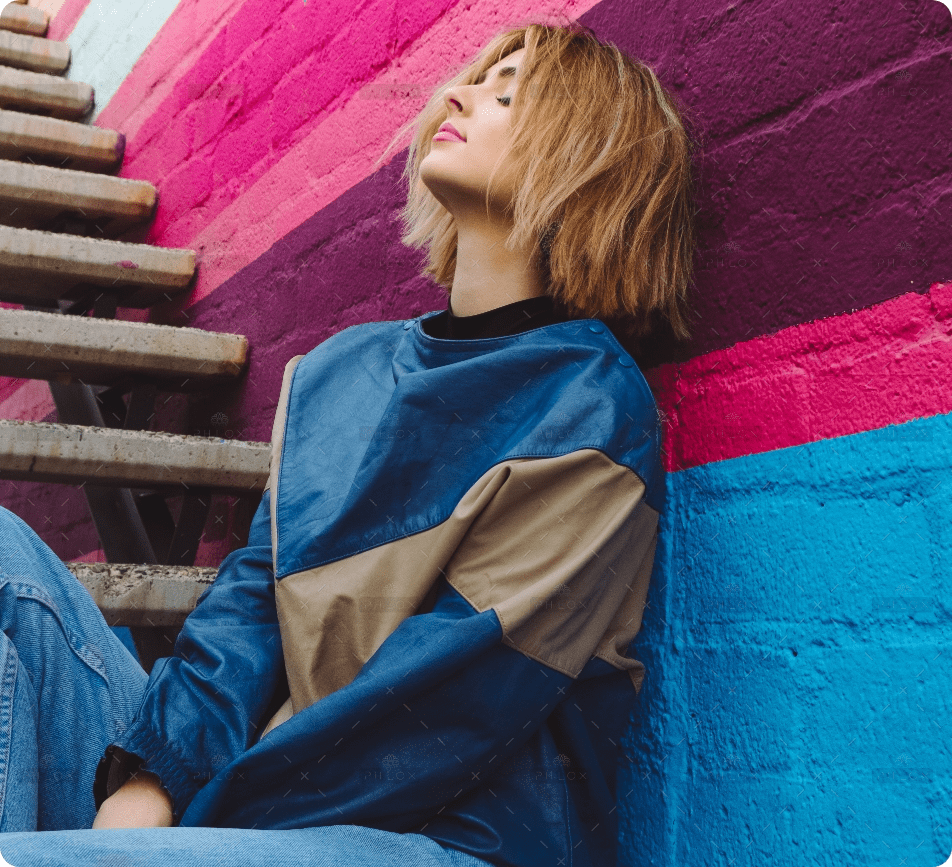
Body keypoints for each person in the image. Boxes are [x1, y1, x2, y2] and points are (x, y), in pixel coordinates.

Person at [0, 19, 696, 867]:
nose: (458, 95)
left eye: (509, 94)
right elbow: (248, 606)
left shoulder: (591, 407)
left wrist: (180, 832)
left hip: (442, 836)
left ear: (584, 158)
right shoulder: (339, 370)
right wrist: (147, 783)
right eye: (474, 79)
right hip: (248, 796)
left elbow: (436, 717)